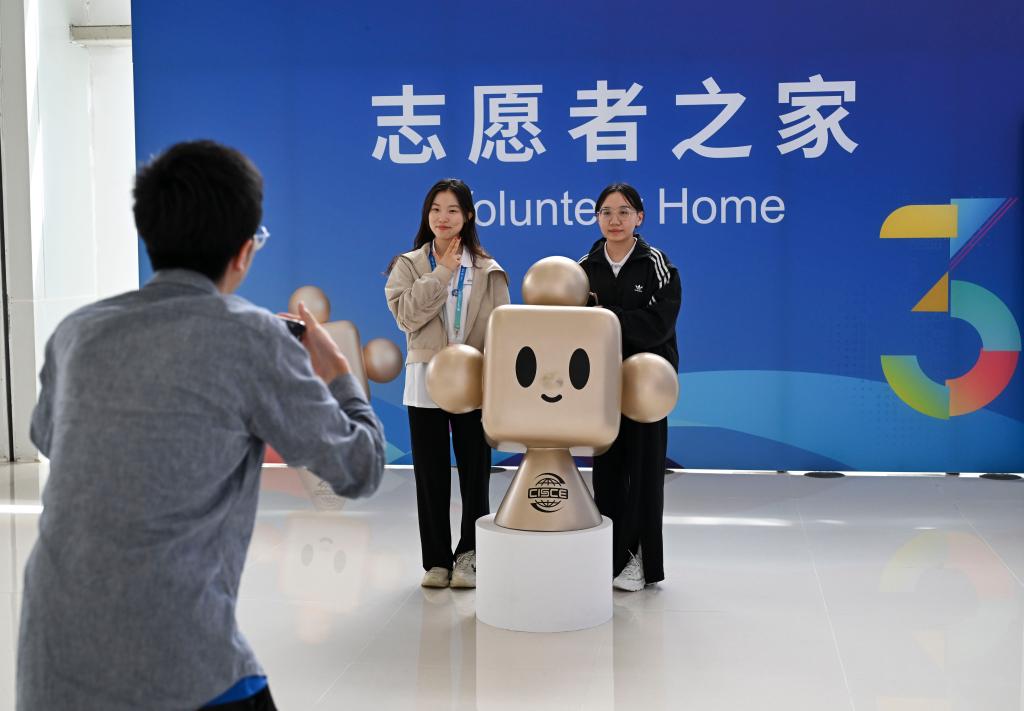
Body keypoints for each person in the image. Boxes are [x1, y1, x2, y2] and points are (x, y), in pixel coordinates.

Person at [17, 140, 386, 711]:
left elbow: (49, 438)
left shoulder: (77, 332)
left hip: (51, 662)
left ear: (149, 234)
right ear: (244, 251)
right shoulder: (254, 337)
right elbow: (360, 469)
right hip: (180, 662)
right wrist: (338, 373)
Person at [385, 178, 510, 589]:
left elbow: (503, 332)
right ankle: (437, 561)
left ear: (468, 216)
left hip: (473, 381)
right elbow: (407, 317)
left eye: (453, 210)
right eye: (436, 209)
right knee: (431, 475)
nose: (443, 217)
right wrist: (442, 273)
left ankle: (470, 557)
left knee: (475, 473)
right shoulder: (408, 265)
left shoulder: (488, 269)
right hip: (425, 380)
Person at [578, 183, 681, 591]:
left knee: (645, 474)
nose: (615, 220)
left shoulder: (657, 264)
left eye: (624, 212)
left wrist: (606, 316)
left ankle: (641, 560)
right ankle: (612, 557)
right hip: (602, 388)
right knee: (607, 475)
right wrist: (611, 320)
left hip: (646, 388)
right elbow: (577, 329)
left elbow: (658, 326)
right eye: (606, 212)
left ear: (640, 217)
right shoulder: (583, 268)